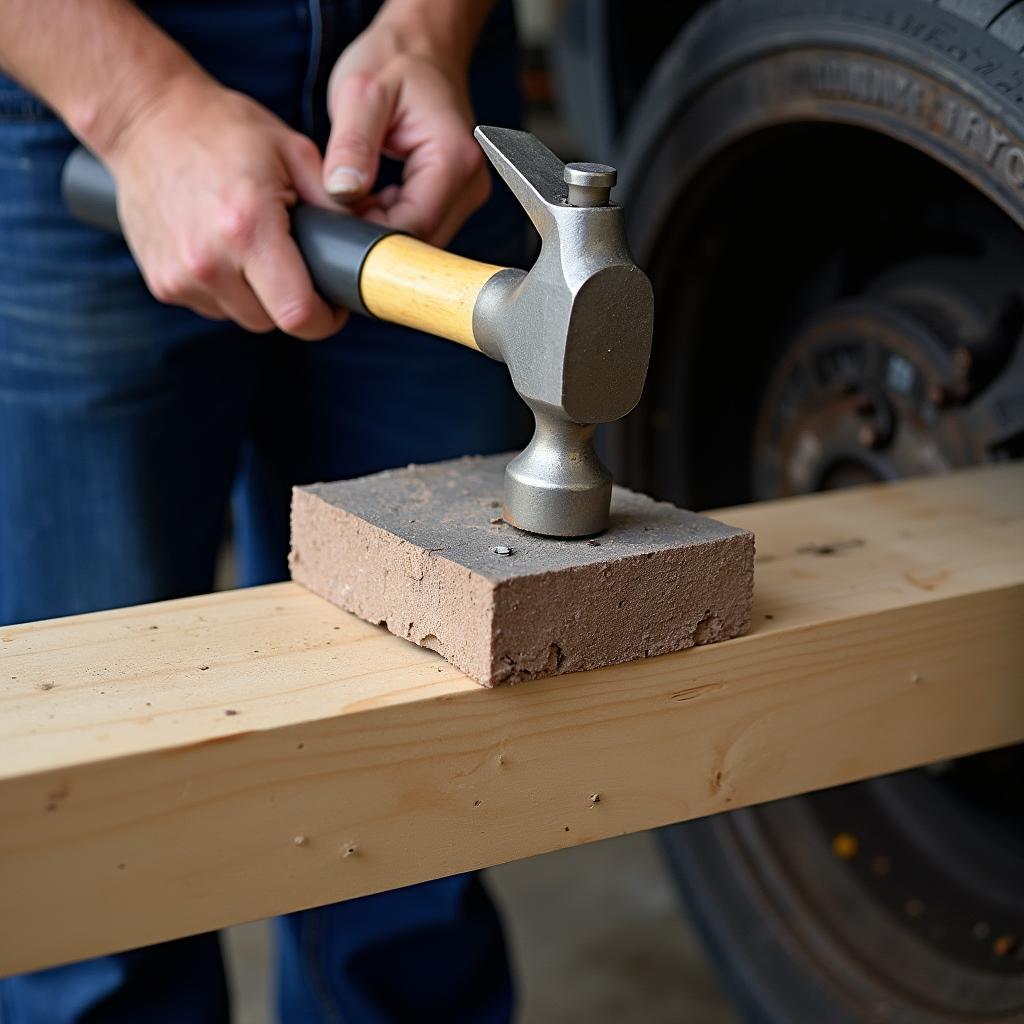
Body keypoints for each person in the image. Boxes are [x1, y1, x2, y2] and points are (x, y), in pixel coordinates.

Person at [0, 1, 528, 1020]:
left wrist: (431, 27)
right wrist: (138, 102)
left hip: (422, 102)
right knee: (87, 828)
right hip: (70, 77)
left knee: (422, 810)